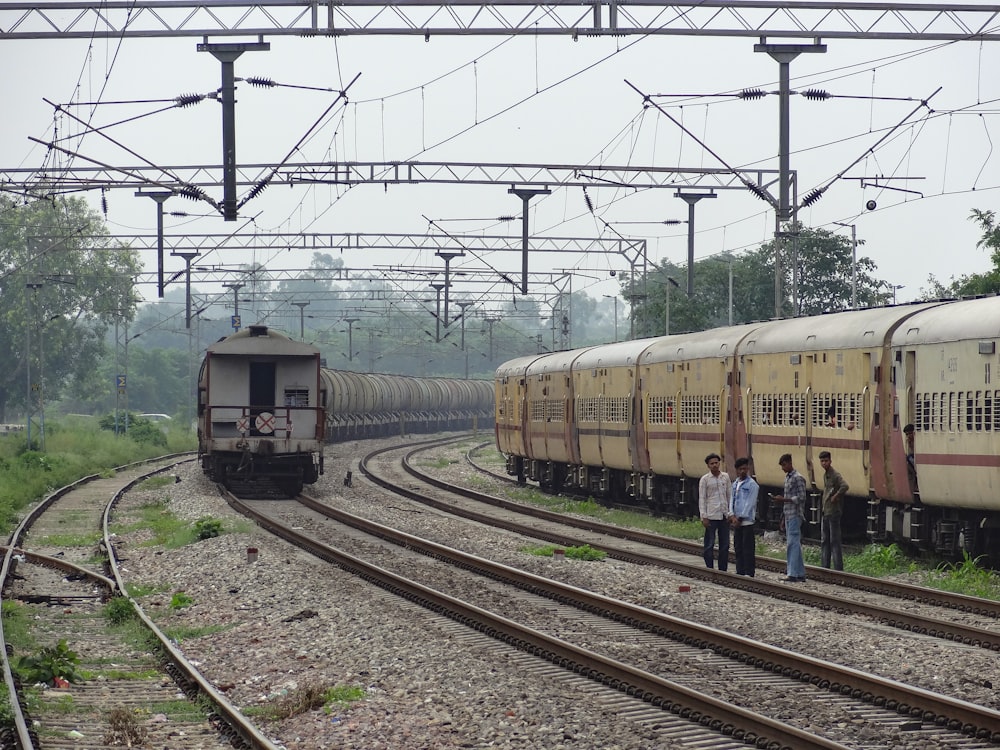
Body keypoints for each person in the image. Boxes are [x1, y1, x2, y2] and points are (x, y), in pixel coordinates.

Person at [771, 453, 807, 582]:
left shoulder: (798, 478)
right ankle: (800, 573)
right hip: (788, 514)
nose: (783, 468)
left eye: (784, 465)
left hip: (795, 514)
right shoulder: (788, 478)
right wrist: (782, 517)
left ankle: (792, 573)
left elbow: (802, 497)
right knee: (793, 543)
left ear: (790, 463)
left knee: (793, 543)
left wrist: (784, 499)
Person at [698, 453, 732, 571]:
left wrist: (730, 513)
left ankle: (723, 569)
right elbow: (702, 498)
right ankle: (709, 568)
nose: (715, 465)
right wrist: (704, 516)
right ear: (708, 466)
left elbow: (729, 495)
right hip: (711, 515)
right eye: (712, 463)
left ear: (719, 463)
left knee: (725, 545)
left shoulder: (725, 477)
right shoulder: (705, 480)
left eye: (716, 463)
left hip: (724, 515)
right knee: (709, 544)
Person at [818, 450, 848, 570]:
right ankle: (825, 566)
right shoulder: (826, 475)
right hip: (826, 511)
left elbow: (845, 486)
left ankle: (837, 568)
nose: (824, 463)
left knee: (834, 541)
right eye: (822, 461)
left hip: (833, 512)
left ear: (830, 461)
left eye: (826, 461)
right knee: (825, 540)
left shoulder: (835, 474)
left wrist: (836, 496)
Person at [729, 457, 759, 577]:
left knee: (748, 549)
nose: (743, 471)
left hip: (746, 522)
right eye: (741, 469)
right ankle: (740, 570)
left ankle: (749, 572)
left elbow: (750, 503)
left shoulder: (752, 485)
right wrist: (731, 515)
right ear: (736, 470)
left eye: (745, 469)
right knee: (738, 547)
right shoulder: (735, 484)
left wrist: (740, 518)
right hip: (736, 521)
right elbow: (731, 500)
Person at [904, 423, 919, 497]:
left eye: (909, 434)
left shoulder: (917, 440)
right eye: (907, 434)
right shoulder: (909, 442)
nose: (908, 436)